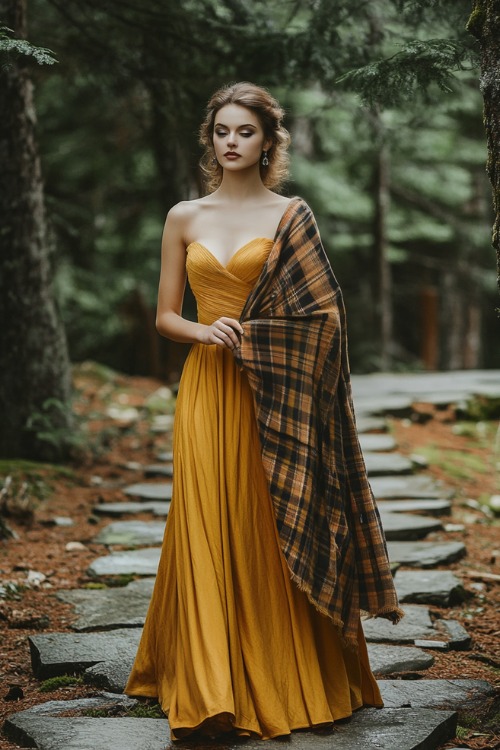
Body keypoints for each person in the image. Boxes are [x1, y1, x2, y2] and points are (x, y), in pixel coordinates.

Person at [124, 81, 403, 742]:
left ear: (268, 141)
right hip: (207, 388)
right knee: (205, 521)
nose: (231, 141)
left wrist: (260, 340)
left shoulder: (290, 217)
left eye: (245, 131)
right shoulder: (183, 217)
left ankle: (285, 673)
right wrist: (204, 332)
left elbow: (325, 320)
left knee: (264, 524)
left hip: (273, 392)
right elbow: (166, 316)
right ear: (209, 138)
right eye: (222, 130)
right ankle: (208, 686)